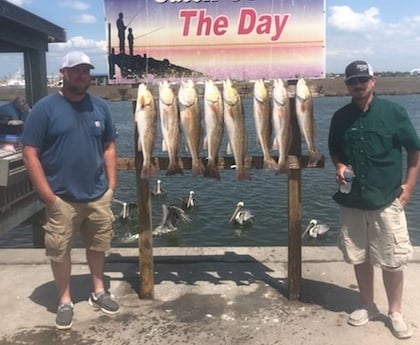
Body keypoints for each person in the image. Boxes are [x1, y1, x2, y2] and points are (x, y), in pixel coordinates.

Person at [21, 51, 119, 330]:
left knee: (98, 245)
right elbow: (30, 153)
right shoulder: (45, 108)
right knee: (60, 250)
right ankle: (64, 300)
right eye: (75, 71)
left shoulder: (100, 107)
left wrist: (111, 187)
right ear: (63, 73)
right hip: (61, 198)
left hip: (98, 195)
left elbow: (110, 146)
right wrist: (48, 197)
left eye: (85, 71)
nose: (81, 75)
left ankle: (99, 291)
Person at [328, 60, 420, 339]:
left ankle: (394, 312)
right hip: (353, 201)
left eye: (362, 80)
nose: (357, 85)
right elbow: (335, 151)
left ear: (373, 81)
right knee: (360, 257)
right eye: (352, 81)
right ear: (347, 85)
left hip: (386, 199)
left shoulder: (394, 113)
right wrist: (340, 167)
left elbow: (414, 151)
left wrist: (408, 188)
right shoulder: (340, 117)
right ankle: (367, 305)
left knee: (393, 260)